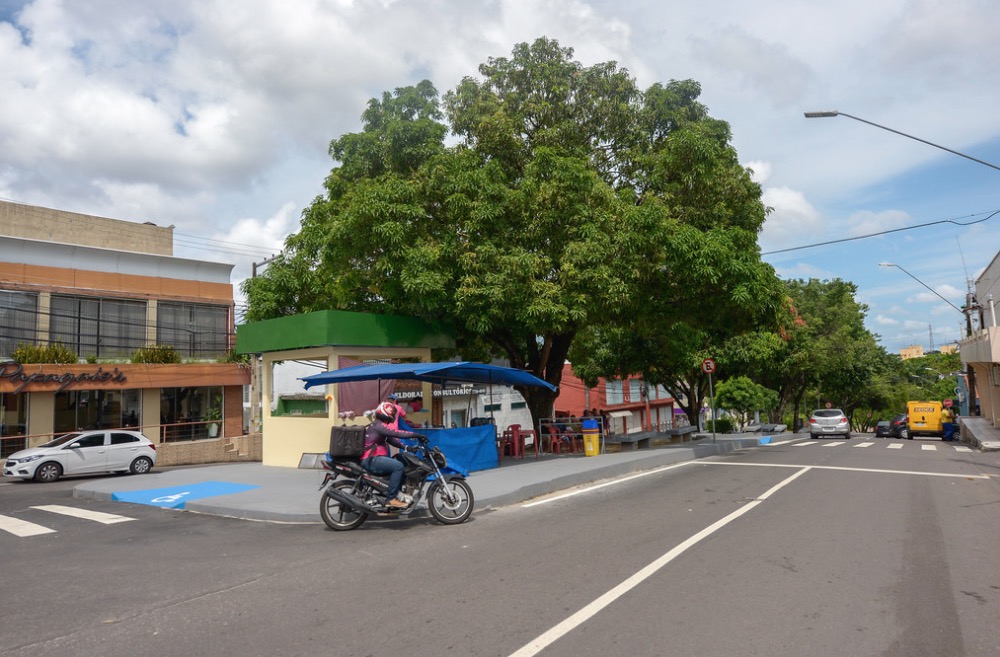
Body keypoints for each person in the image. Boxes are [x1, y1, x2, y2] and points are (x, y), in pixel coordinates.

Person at [361, 401, 421, 508]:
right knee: (398, 467)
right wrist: (416, 434)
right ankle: (391, 499)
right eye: (392, 414)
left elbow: (391, 440)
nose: (393, 416)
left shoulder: (378, 425)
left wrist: (407, 448)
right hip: (371, 459)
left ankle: (397, 493)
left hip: (374, 457)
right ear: (386, 413)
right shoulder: (379, 426)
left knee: (399, 461)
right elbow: (395, 433)